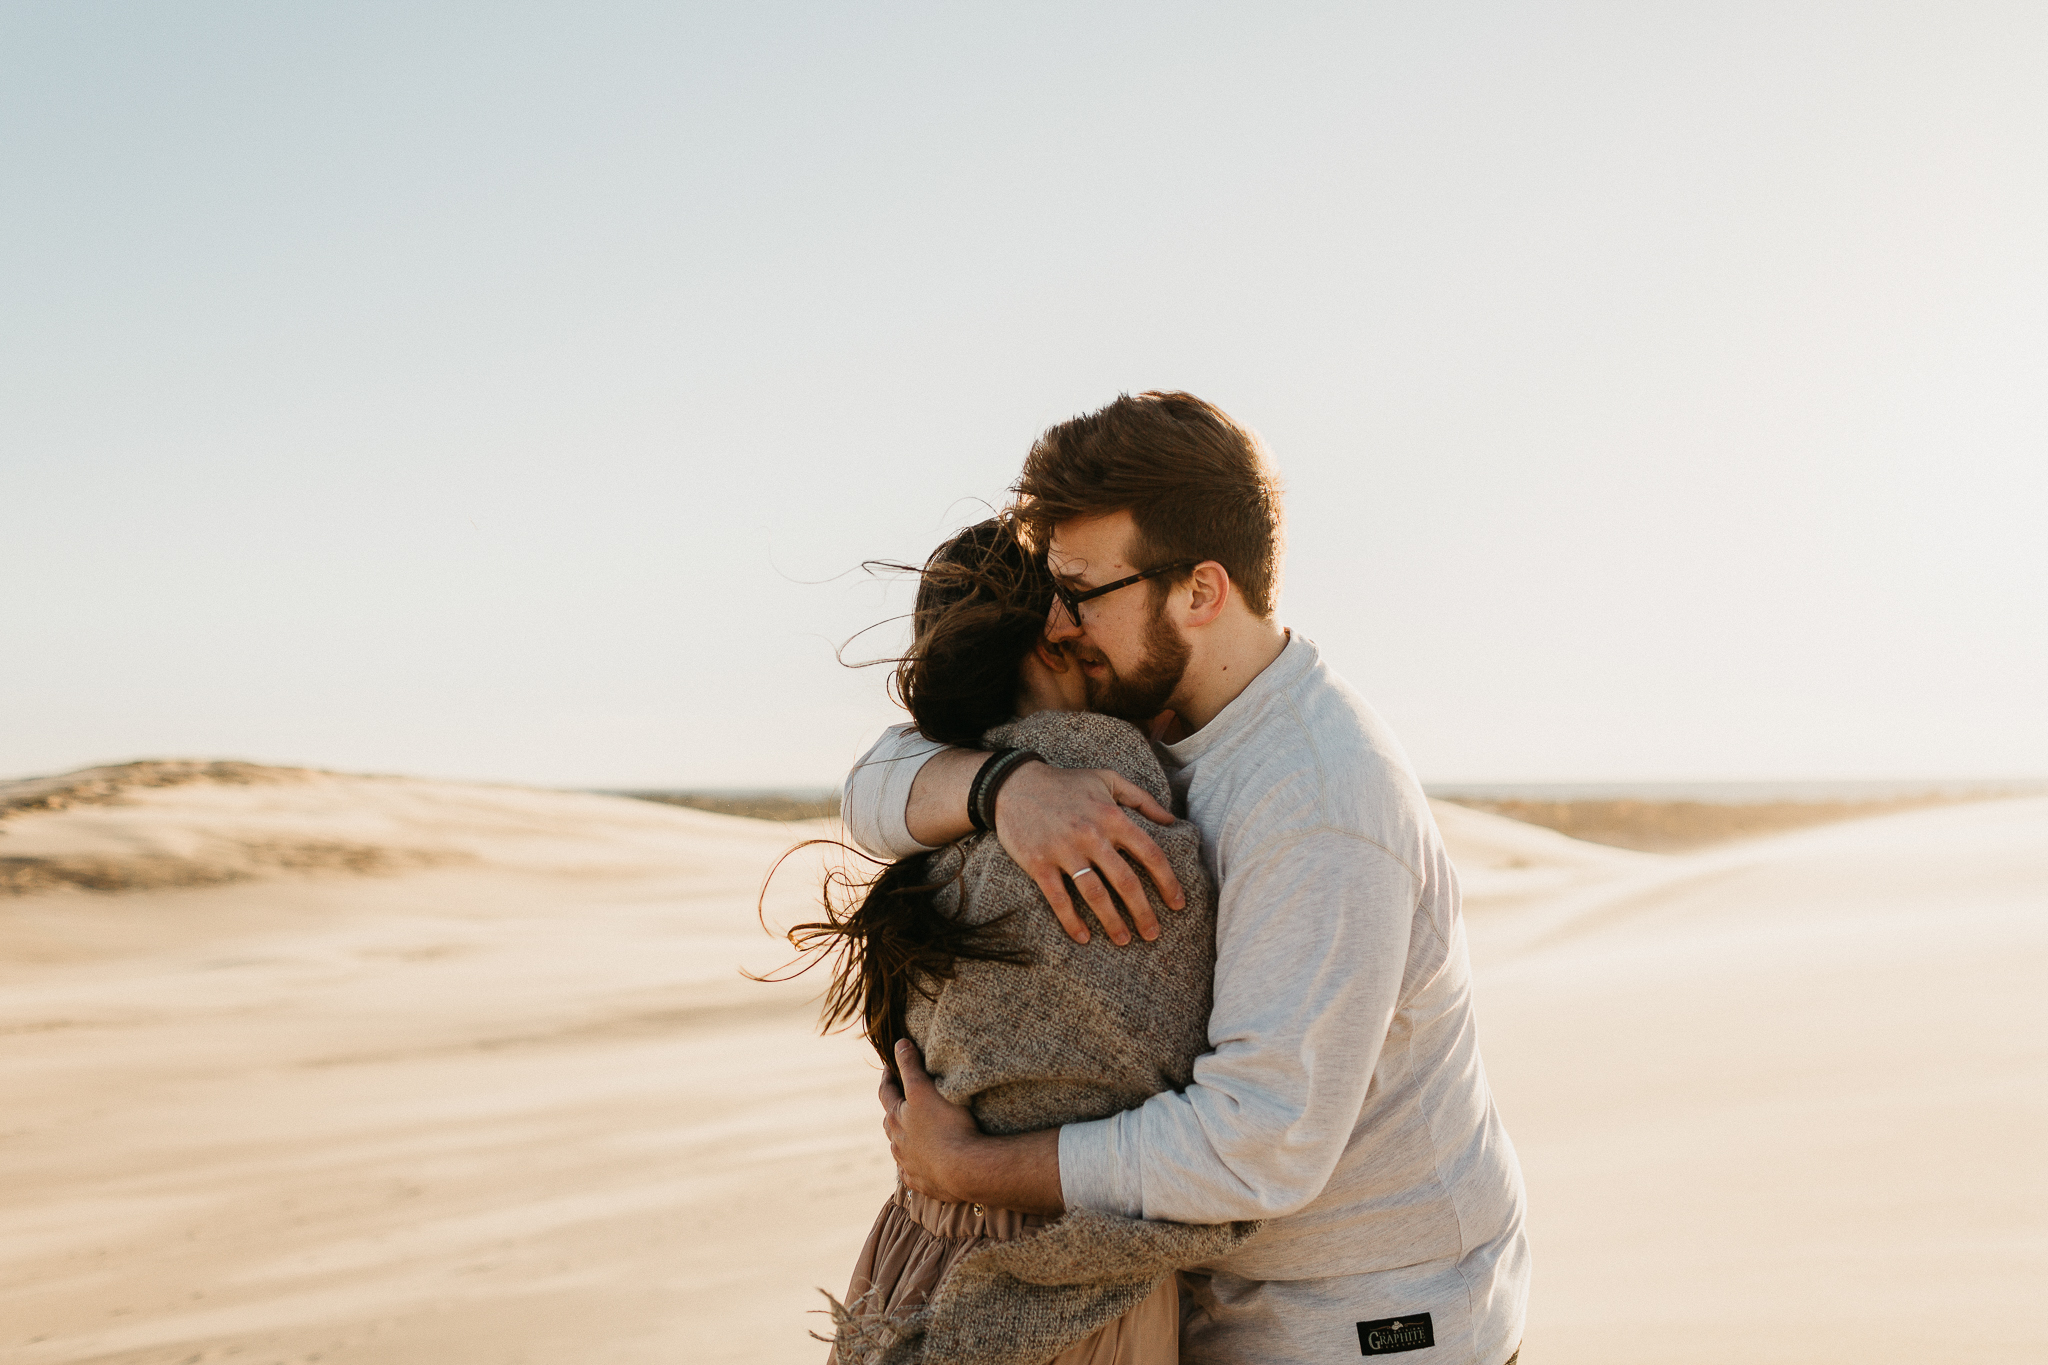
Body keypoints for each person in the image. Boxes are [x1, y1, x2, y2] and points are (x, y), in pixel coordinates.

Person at [842, 393, 1529, 1365]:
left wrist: (973, 1170)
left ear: (1199, 592)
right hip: (1222, 1309)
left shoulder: (1316, 801)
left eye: (1080, 593)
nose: (1056, 624)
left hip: (1364, 1329)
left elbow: (1259, 1141)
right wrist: (1003, 787)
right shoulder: (1141, 719)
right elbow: (867, 786)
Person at [789, 517, 1255, 1365]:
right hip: (1064, 1297)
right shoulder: (1148, 831)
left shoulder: (928, 840)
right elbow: (1231, 1145)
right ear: (1056, 633)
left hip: (909, 1254)